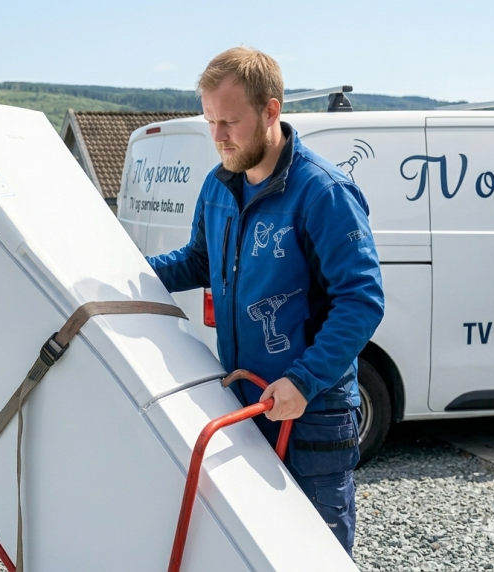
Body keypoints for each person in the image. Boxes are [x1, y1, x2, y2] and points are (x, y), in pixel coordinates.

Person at [147, 47, 384, 557]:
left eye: (229, 122)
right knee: (249, 552)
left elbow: (361, 300)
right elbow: (197, 261)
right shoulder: (218, 185)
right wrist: (126, 271)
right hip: (242, 405)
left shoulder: (323, 193)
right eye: (210, 121)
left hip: (310, 414)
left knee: (312, 556)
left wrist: (303, 380)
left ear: (271, 111)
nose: (218, 136)